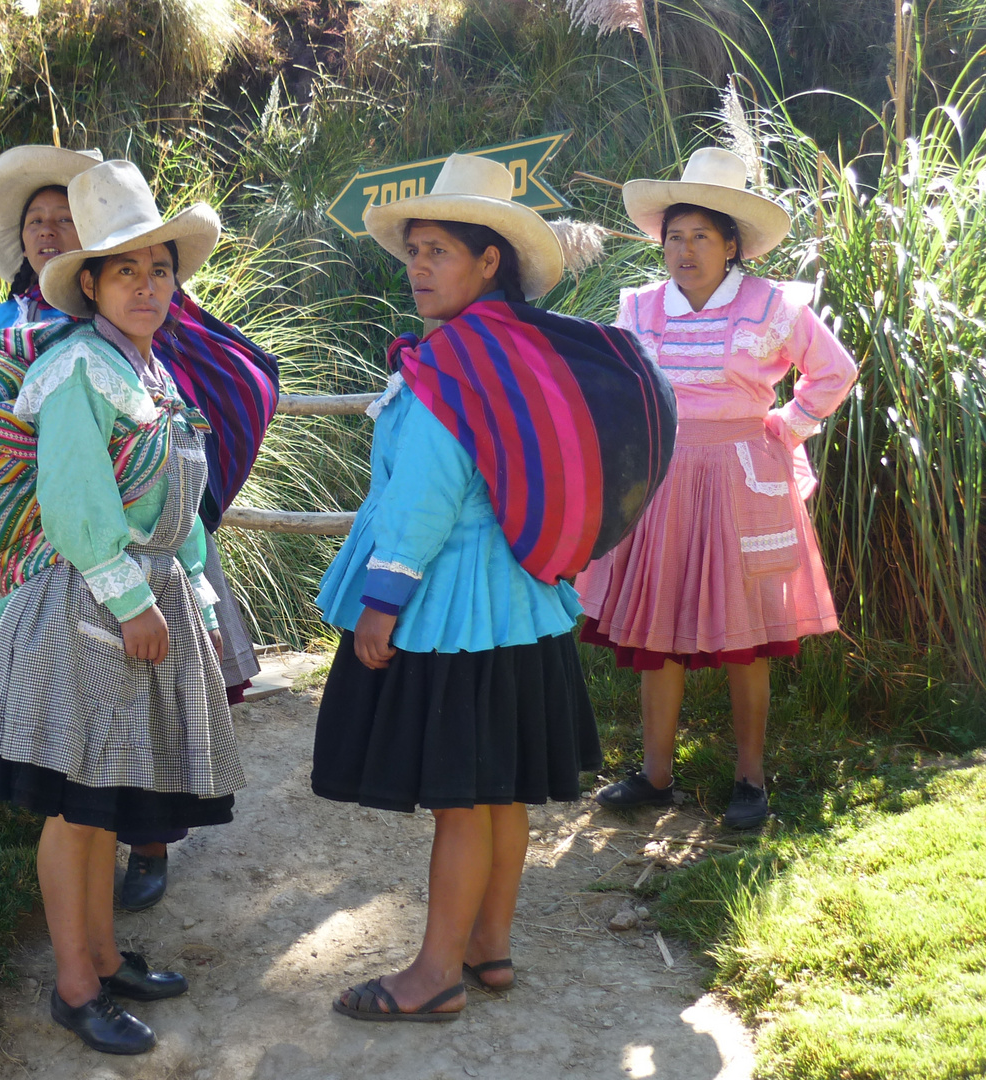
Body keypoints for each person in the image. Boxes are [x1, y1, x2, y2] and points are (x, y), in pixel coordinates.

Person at [313, 154, 672, 1022]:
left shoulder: (449, 368)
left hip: (450, 608)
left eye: (439, 251)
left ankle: (432, 974)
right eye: (414, 252)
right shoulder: (518, 352)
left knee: (461, 802)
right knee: (500, 788)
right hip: (520, 605)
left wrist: (383, 601)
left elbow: (424, 497)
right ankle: (490, 946)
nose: (420, 267)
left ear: (488, 263)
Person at [0, 159, 244, 1055]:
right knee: (76, 806)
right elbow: (75, 505)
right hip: (84, 611)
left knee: (106, 796)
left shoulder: (147, 371)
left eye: (161, 268)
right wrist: (134, 600)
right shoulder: (77, 371)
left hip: (141, 603)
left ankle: (103, 956)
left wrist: (200, 598)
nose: (149, 285)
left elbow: (174, 504)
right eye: (127, 270)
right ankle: (73, 987)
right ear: (90, 283)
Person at [577, 147, 858, 829]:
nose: (685, 249)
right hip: (663, 481)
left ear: (733, 244)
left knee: (748, 635)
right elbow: (617, 388)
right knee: (659, 627)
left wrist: (785, 427)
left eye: (702, 235)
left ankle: (751, 780)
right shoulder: (640, 309)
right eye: (674, 236)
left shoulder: (772, 305)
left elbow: (835, 371)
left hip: (743, 481)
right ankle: (654, 775)